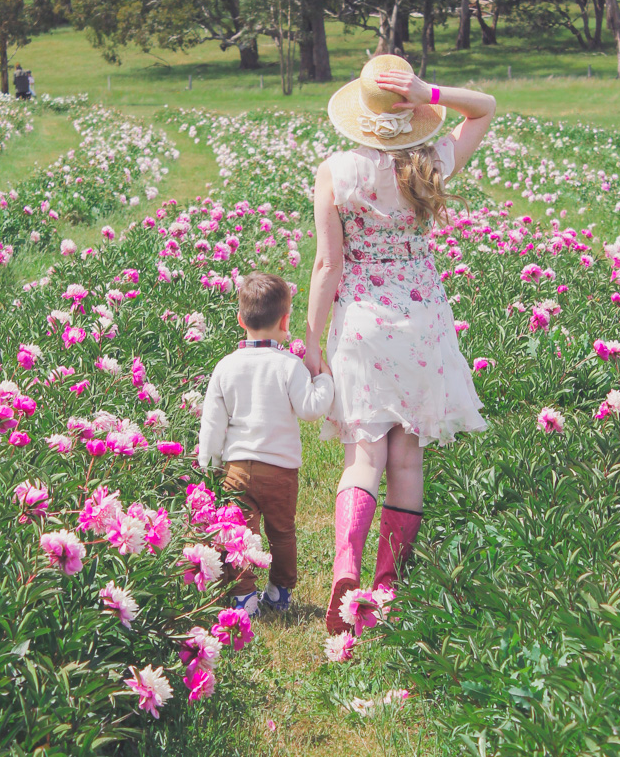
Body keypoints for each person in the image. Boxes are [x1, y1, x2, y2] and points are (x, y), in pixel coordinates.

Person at [304, 54, 495, 633]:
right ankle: (385, 588)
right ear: (412, 112)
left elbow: (326, 265)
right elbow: (486, 108)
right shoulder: (433, 162)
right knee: (407, 456)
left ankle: (345, 562)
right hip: (423, 319)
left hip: (362, 320)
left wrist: (311, 342)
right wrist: (430, 91)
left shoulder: (336, 171)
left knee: (364, 454)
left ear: (360, 114)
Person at [198, 271, 334, 615]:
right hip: (280, 471)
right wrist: (324, 378)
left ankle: (244, 595)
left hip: (237, 469)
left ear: (240, 319)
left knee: (240, 535)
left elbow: (213, 422)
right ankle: (280, 590)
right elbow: (311, 409)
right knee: (282, 533)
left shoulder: (225, 367)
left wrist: (209, 462)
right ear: (286, 320)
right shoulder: (290, 366)